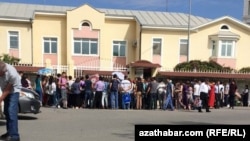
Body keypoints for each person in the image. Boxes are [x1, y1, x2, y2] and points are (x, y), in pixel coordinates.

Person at [0, 61, 21, 141]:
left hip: (13, 92)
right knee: (6, 112)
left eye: (0, 74)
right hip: (5, 90)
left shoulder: (12, 74)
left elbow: (7, 90)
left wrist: (0, 99)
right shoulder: (1, 69)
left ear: (4, 71)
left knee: (11, 112)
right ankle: (9, 133)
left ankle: (15, 136)